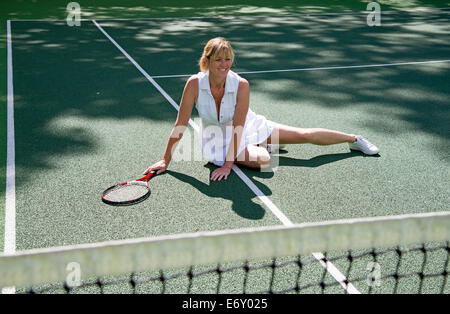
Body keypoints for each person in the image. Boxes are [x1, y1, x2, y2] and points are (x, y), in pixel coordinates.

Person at [144, 37, 379, 181]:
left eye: (228, 59)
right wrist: (166, 161)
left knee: (304, 135)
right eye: (218, 60)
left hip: (248, 127)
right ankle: (264, 145)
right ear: (207, 61)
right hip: (217, 140)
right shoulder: (194, 84)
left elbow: (239, 125)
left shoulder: (241, 85)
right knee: (265, 160)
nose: (224, 65)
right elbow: (181, 123)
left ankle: (354, 139)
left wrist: (228, 165)